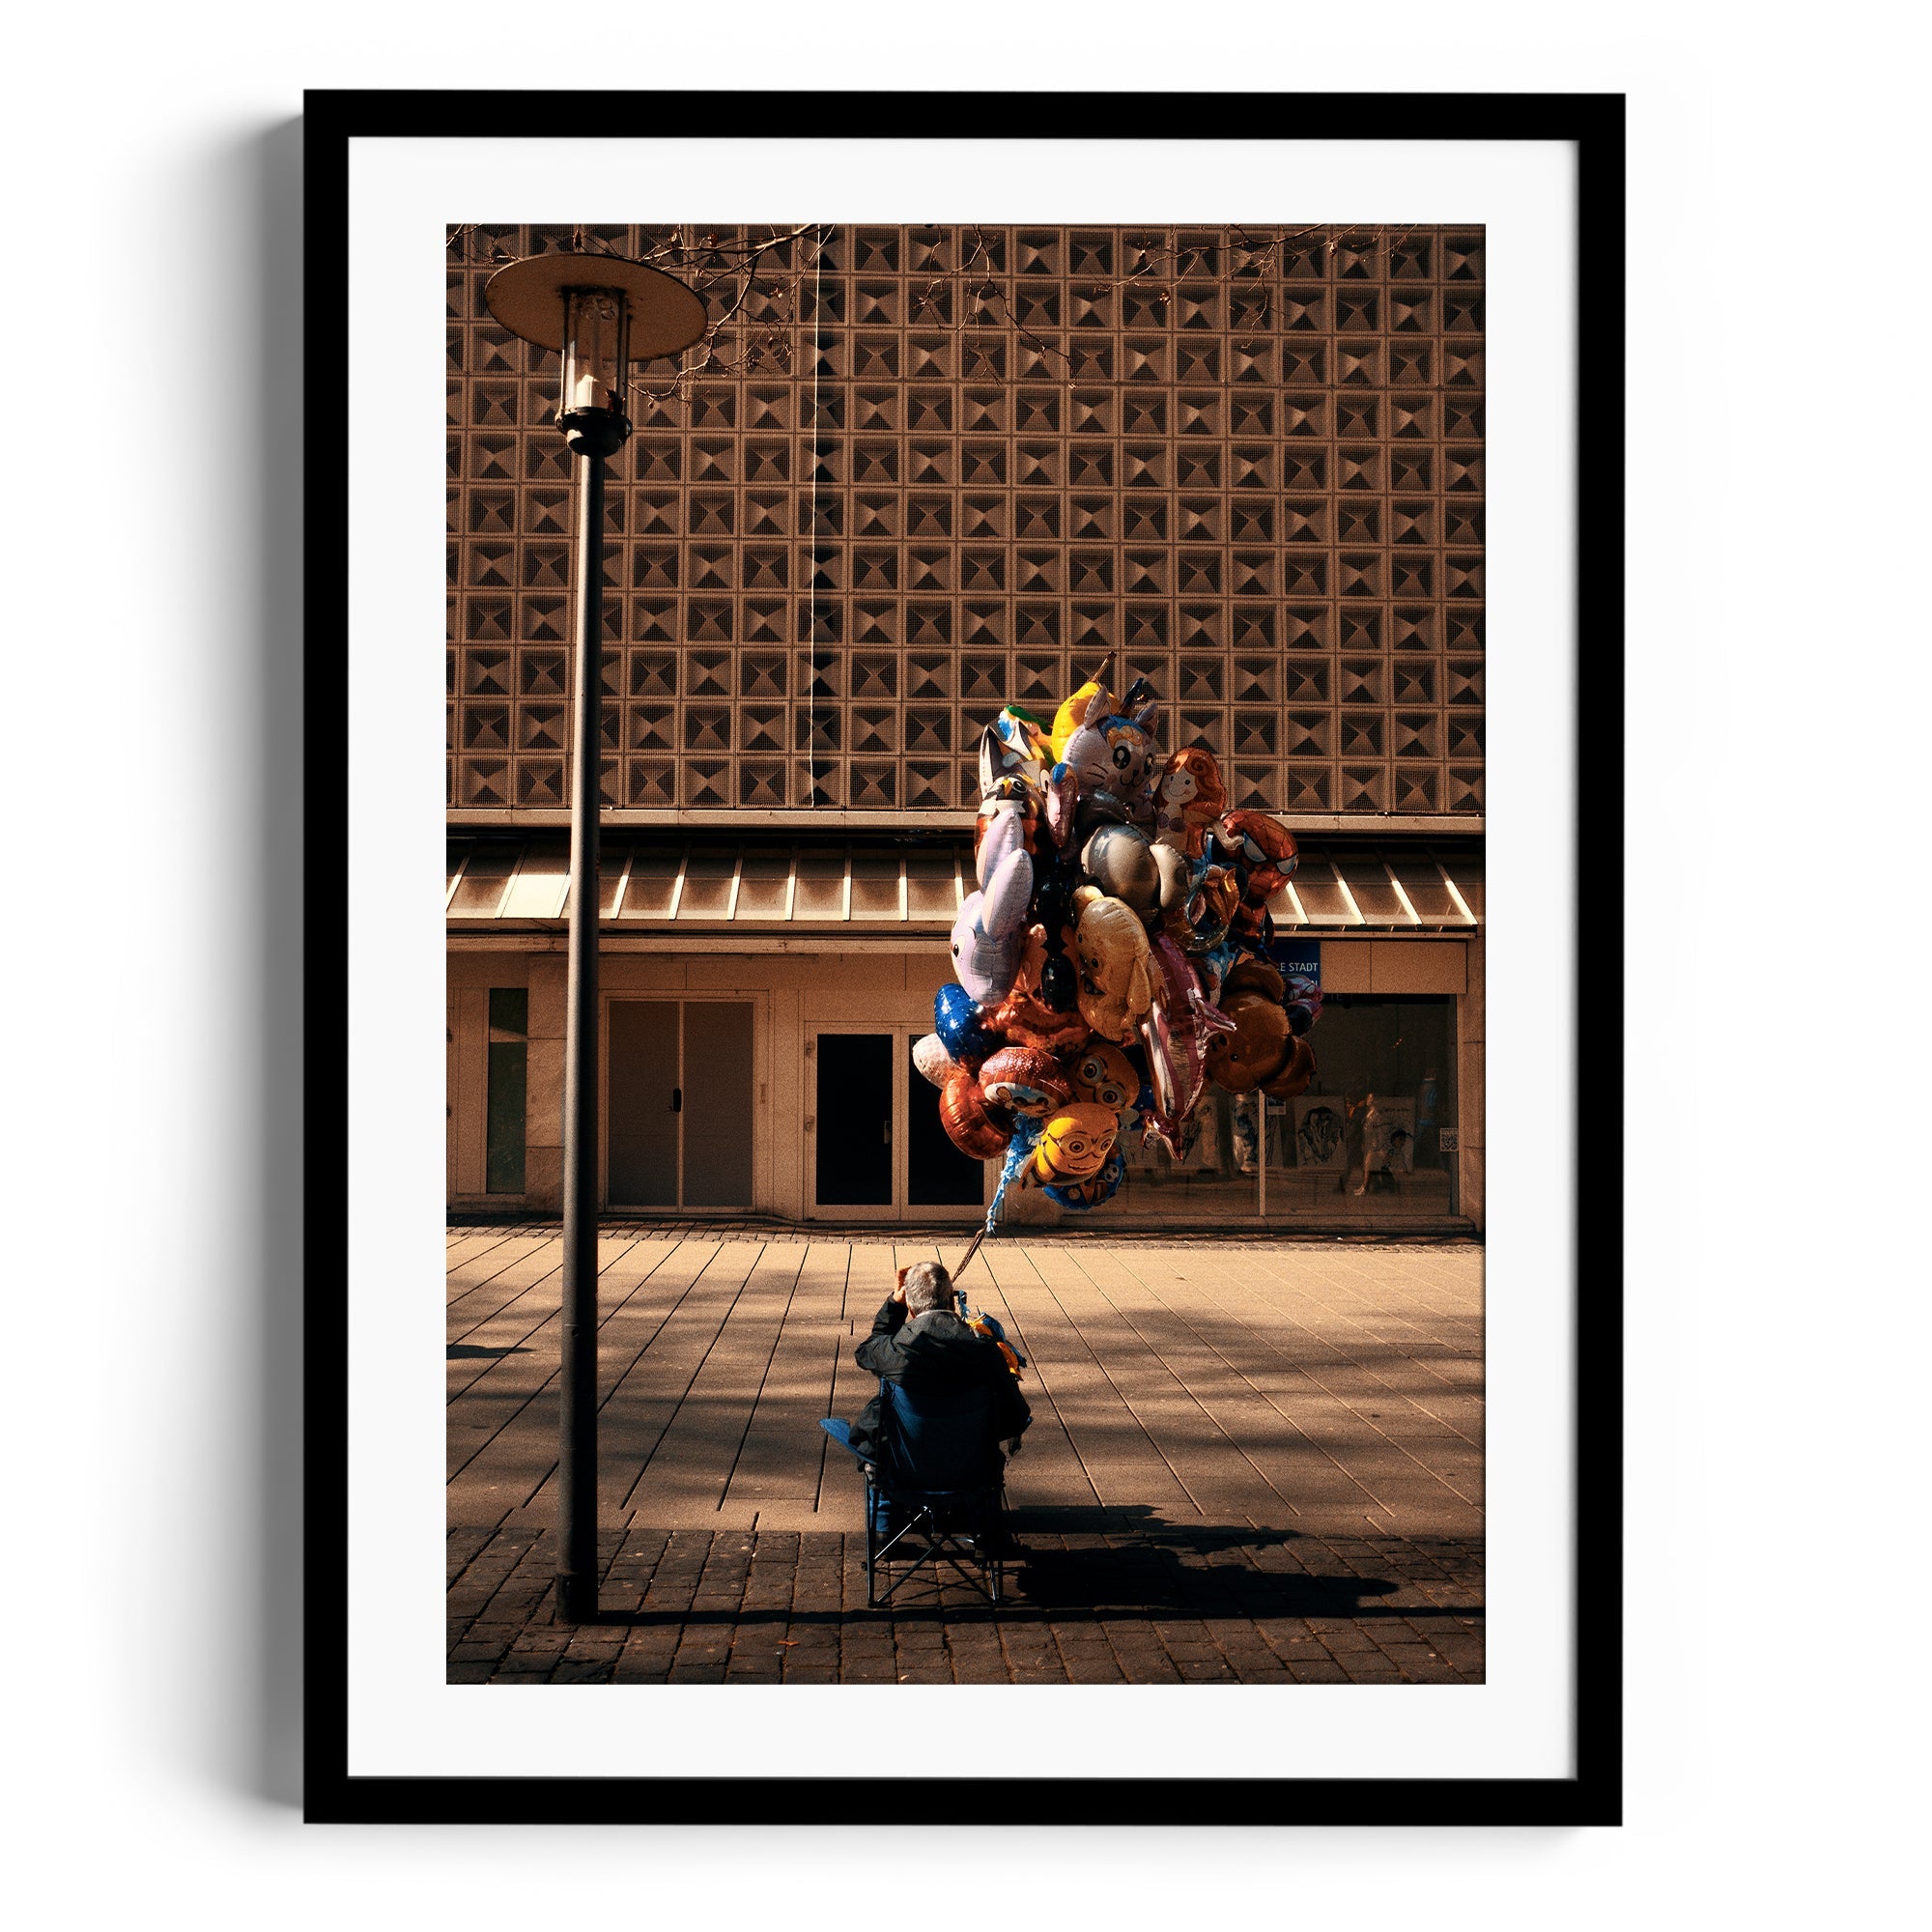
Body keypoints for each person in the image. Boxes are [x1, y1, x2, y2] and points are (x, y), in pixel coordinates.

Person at [841, 1261, 1031, 1471]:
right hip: (969, 1472)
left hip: (905, 1471)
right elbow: (1016, 1417)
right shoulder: (986, 1353)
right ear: (951, 1301)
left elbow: (867, 1350)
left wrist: (895, 1305)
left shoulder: (895, 1351)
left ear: (910, 1308)